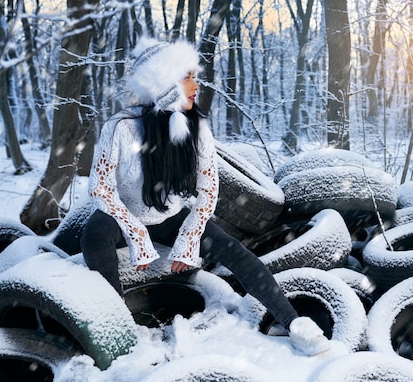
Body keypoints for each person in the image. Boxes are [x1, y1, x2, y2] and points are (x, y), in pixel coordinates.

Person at [56, 37, 330, 356]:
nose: (196, 85)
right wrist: (137, 236)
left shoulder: (195, 128)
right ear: (164, 83)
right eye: (187, 77)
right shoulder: (120, 128)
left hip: (170, 216)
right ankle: (118, 326)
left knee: (236, 251)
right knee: (95, 234)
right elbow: (101, 188)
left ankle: (293, 321)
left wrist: (188, 238)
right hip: (122, 215)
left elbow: (208, 188)